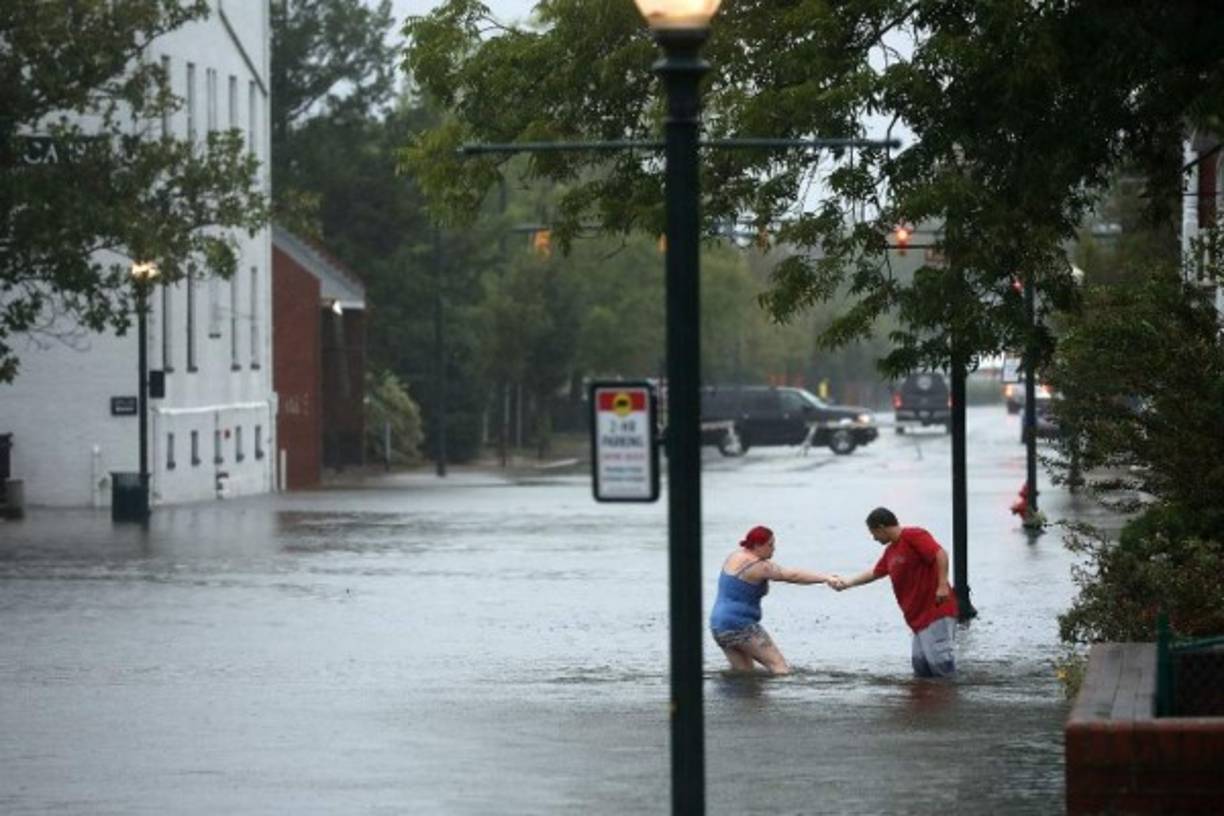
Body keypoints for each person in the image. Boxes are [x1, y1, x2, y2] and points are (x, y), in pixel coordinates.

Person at [829, 507, 959, 678]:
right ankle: (926, 704)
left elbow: (940, 554)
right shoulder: (891, 551)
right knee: (921, 668)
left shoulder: (914, 535)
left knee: (940, 667)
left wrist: (942, 585)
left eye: (873, 533)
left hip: (936, 612)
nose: (874, 538)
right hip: (917, 619)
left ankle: (949, 702)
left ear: (881, 527)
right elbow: (876, 573)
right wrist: (847, 583)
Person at [709, 525, 833, 675]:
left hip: (718, 625)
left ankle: (736, 699)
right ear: (757, 545)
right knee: (779, 667)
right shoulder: (759, 566)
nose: (773, 549)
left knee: (744, 673)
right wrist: (826, 578)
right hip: (739, 624)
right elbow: (792, 575)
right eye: (770, 545)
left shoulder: (735, 556)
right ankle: (783, 698)